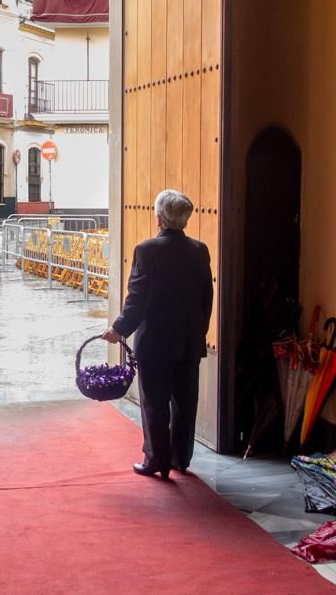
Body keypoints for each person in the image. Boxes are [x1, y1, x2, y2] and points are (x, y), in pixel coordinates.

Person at [101, 189, 213, 480]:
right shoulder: (200, 250)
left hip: (155, 343)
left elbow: (138, 299)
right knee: (185, 403)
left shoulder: (147, 250)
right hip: (189, 342)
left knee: (155, 402)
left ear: (159, 217)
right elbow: (206, 298)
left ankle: (156, 460)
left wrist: (118, 329)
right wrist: (198, 331)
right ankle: (180, 458)